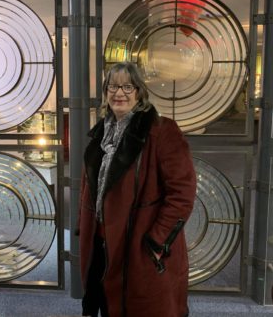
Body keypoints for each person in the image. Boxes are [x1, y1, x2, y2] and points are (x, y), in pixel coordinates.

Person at [78, 62, 197, 317]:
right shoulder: (100, 133)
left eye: (127, 86)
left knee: (139, 306)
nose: (118, 93)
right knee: (106, 302)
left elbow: (182, 193)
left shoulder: (162, 131)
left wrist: (157, 240)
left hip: (138, 243)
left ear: (139, 92)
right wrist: (83, 222)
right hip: (101, 240)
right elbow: (90, 184)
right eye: (112, 86)